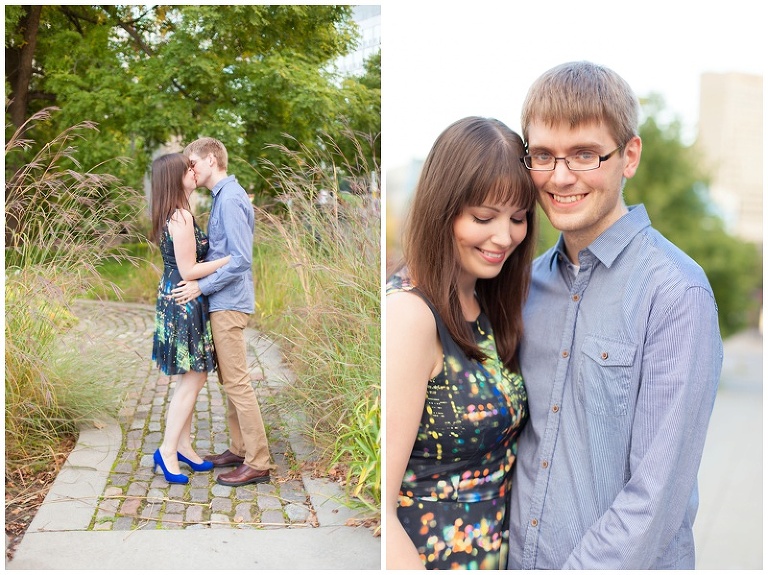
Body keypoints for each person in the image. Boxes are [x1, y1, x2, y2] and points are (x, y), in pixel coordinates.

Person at [506, 61, 723, 569]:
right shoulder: (523, 287)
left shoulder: (676, 293)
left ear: (629, 155)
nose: (560, 177)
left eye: (585, 154)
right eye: (542, 156)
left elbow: (655, 496)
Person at [386, 116, 538, 569]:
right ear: (443, 209)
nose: (504, 237)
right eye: (483, 218)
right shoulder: (411, 315)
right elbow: (384, 505)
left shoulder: (491, 304)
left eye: (518, 218)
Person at [171, 137, 272, 487]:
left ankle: (258, 461)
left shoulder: (229, 198)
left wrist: (202, 286)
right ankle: (240, 448)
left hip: (229, 302)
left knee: (238, 383)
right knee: (231, 381)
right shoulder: (224, 197)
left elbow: (241, 259)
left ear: (211, 160)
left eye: (193, 163)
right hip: (225, 301)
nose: (191, 170)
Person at [149, 153, 231, 484]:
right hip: (183, 298)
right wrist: (227, 260)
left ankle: (183, 446)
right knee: (194, 377)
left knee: (190, 379)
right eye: (188, 168)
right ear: (175, 178)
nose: (194, 170)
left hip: (176, 295)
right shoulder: (180, 217)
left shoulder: (176, 213)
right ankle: (168, 451)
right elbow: (189, 270)